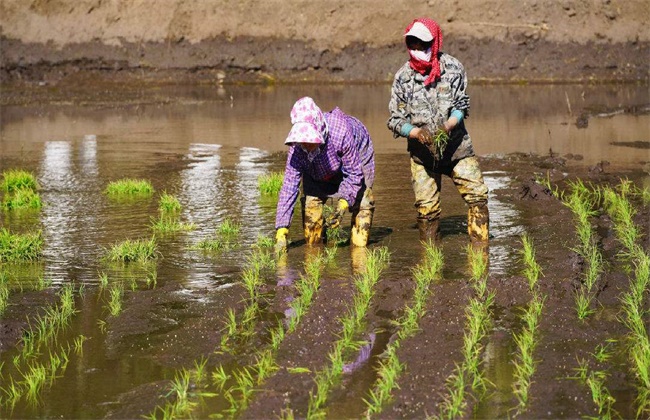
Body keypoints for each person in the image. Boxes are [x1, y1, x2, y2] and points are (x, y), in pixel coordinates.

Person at [387, 17, 489, 243]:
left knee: (478, 197)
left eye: (422, 44)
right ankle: (430, 259)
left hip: (456, 149)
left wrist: (449, 125)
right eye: (412, 44)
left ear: (434, 43)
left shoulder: (453, 68)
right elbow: (394, 119)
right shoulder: (403, 77)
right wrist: (413, 132)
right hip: (422, 155)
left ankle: (481, 251)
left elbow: (462, 105)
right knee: (427, 210)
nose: (416, 50)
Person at [275, 97, 375, 250]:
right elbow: (289, 186)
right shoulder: (297, 148)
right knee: (311, 217)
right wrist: (282, 230)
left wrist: (343, 204)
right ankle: (315, 254)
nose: (306, 145)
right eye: (303, 141)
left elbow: (354, 174)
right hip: (318, 170)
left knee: (362, 206)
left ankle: (359, 261)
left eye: (309, 140)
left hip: (356, 155)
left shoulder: (341, 134)